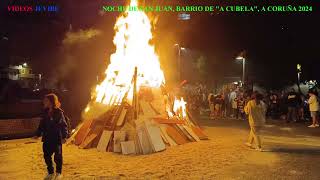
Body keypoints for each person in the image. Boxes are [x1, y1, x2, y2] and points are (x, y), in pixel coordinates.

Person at [34, 93, 68, 180]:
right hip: (47, 138)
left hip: (56, 138)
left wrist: (64, 136)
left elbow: (63, 125)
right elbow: (41, 124)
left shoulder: (59, 112)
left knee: (58, 156)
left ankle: (58, 173)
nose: (44, 102)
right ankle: (50, 172)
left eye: (46, 100)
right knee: (46, 156)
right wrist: (38, 134)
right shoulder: (45, 112)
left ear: (51, 102)